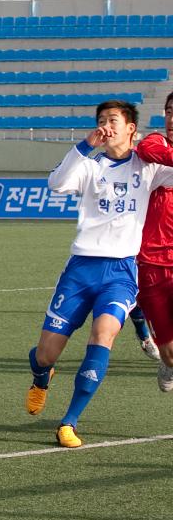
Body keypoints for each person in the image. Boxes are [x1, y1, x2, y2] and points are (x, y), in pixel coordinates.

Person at [26, 100, 173, 447]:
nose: (107, 126)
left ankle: (69, 422)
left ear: (130, 128)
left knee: (102, 335)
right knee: (47, 353)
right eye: (102, 121)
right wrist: (85, 146)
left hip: (122, 271)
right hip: (81, 269)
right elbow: (57, 183)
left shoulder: (147, 167)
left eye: (113, 120)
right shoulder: (91, 166)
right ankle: (40, 375)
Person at [131, 90, 173, 391]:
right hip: (151, 261)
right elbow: (145, 148)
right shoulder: (156, 143)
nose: (172, 118)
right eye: (170, 111)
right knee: (169, 352)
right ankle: (167, 360)